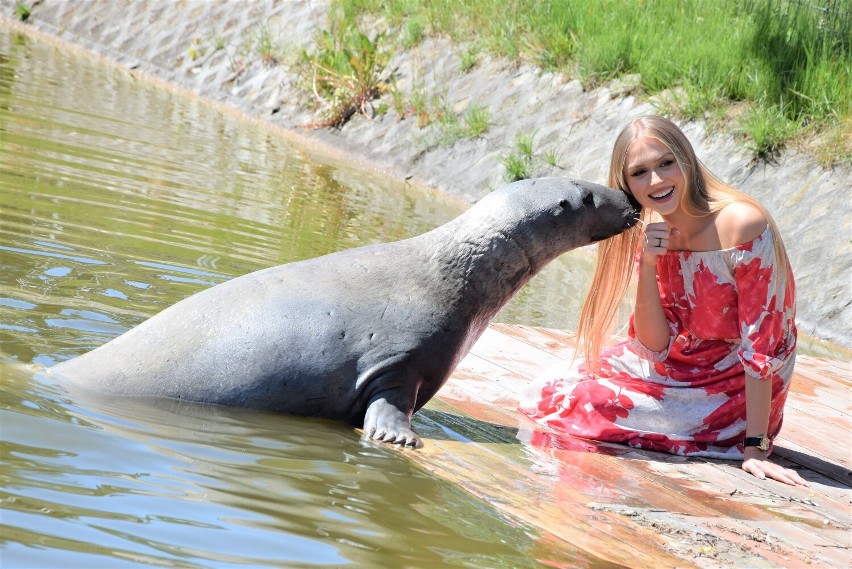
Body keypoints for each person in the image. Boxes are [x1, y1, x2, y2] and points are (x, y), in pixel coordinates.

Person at [519, 115, 808, 486]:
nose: (656, 180)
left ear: (685, 160)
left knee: (587, 405)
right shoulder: (655, 227)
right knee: (551, 390)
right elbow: (653, 344)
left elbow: (763, 344)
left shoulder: (742, 223)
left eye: (665, 163)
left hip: (737, 381)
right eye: (640, 172)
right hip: (681, 361)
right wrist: (651, 261)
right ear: (626, 184)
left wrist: (755, 447)